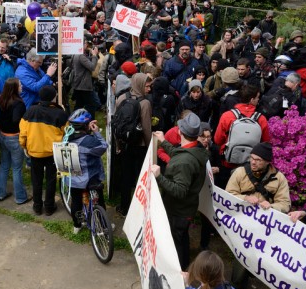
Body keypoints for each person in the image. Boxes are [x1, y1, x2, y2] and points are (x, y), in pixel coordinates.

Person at [226, 142, 291, 289]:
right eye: (252, 158)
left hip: (264, 226)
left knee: (253, 256)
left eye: (258, 160)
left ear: (268, 162)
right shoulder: (240, 172)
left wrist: (271, 207)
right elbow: (228, 193)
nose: (253, 162)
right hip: (242, 221)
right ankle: (236, 288)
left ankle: (246, 276)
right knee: (244, 253)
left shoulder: (279, 178)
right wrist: (245, 199)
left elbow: (285, 204)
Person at [151, 112, 209, 270]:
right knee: (182, 237)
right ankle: (183, 266)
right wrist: (163, 141)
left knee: (177, 242)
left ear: (179, 132)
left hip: (178, 210)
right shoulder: (195, 150)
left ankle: (180, 272)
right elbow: (179, 154)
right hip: (187, 207)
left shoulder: (185, 162)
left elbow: (179, 190)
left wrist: (159, 176)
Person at [19, 86, 68, 215]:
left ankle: (37, 206)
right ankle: (49, 207)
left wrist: (24, 146)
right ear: (53, 97)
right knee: (51, 179)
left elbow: (23, 133)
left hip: (35, 151)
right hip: (52, 153)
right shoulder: (60, 113)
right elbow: (67, 133)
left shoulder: (30, 111)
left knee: (36, 179)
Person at [115, 73, 153, 216]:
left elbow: (117, 124)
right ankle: (139, 210)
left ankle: (124, 207)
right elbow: (146, 128)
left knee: (125, 176)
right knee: (139, 177)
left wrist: (118, 144)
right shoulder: (145, 103)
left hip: (125, 144)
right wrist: (150, 148)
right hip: (140, 146)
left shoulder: (122, 98)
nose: (149, 89)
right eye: (147, 86)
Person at [66, 109, 108, 233]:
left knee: (76, 201)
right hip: (90, 178)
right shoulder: (89, 141)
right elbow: (103, 146)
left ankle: (77, 225)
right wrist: (96, 132)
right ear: (86, 125)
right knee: (99, 200)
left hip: (73, 177)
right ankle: (104, 226)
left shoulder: (67, 137)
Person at [0, 78, 28, 204]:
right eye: (20, 85)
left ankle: (0, 193)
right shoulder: (18, 103)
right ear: (14, 88)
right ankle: (20, 197)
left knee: (4, 165)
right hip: (14, 138)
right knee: (16, 168)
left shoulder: (1, 98)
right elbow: (16, 119)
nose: (22, 86)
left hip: (2, 136)